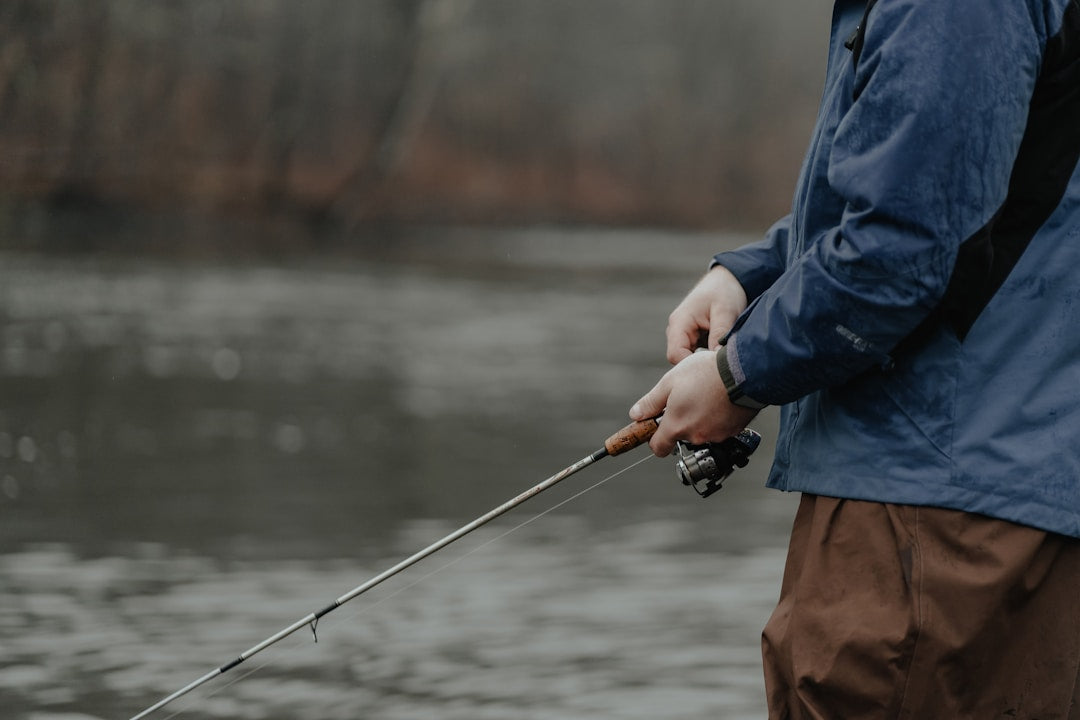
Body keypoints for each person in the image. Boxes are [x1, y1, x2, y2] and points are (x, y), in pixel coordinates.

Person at [629, 1, 1080, 717]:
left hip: (930, 511)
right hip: (994, 497)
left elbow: (901, 246)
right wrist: (753, 274)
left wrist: (736, 376)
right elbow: (959, 185)